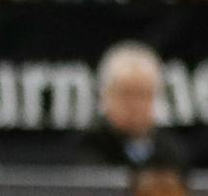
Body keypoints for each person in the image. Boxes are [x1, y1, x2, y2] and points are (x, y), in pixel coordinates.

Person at [75, 41, 186, 169]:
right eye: (127, 94)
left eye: (144, 95)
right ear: (106, 96)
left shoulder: (170, 151)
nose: (136, 106)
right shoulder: (88, 149)